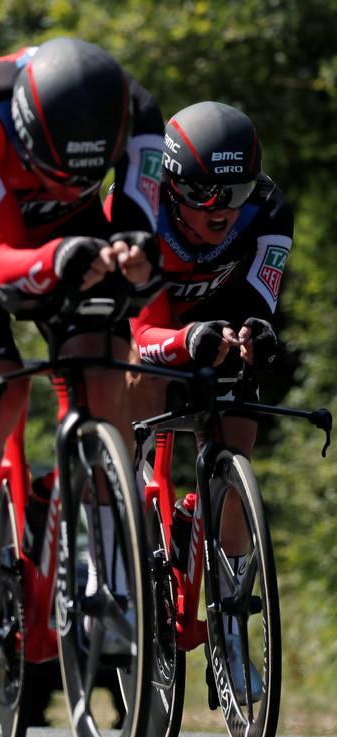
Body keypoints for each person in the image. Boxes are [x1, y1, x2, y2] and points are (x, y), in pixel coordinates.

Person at [0, 37, 164, 650]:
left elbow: (139, 227)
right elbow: (2, 264)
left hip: (67, 226)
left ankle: (110, 571)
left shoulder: (138, 112)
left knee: (103, 381)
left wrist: (133, 255)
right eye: (55, 169)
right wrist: (64, 256)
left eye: (82, 173)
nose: (68, 179)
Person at [126, 101, 290, 702]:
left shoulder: (268, 208)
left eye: (235, 190)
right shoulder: (139, 210)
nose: (221, 209)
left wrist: (255, 334)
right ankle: (124, 521)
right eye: (203, 193)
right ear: (171, 185)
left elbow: (259, 299)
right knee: (134, 383)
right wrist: (183, 341)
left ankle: (229, 628)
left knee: (237, 434)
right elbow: (141, 331)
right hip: (150, 327)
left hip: (214, 324)